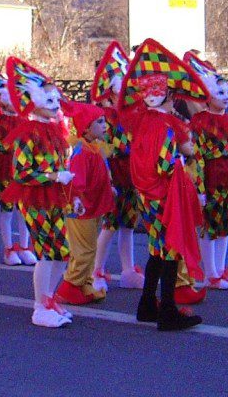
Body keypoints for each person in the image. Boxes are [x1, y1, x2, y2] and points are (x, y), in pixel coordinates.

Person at [121, 38, 209, 332]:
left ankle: (147, 304)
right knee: (170, 250)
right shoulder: (165, 125)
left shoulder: (144, 122)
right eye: (172, 94)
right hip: (164, 196)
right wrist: (182, 166)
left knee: (157, 250)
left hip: (147, 196)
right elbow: (164, 163)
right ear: (167, 97)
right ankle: (167, 310)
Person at [0, 56, 76, 327]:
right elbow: (21, 173)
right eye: (50, 101)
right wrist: (54, 175)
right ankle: (39, 306)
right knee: (46, 252)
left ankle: (48, 298)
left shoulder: (54, 130)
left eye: (57, 101)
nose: (56, 106)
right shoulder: (27, 133)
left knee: (61, 250)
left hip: (55, 196)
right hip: (35, 199)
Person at [183, 51, 228, 290]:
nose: (225, 98)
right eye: (219, 93)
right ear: (208, 97)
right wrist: (200, 189)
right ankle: (210, 273)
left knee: (225, 225)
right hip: (212, 176)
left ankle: (220, 270)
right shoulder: (202, 123)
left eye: (226, 93)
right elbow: (199, 157)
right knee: (209, 225)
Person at [89, 41, 146, 292]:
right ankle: (96, 269)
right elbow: (103, 148)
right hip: (114, 174)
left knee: (128, 225)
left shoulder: (132, 114)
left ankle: (127, 268)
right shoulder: (105, 118)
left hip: (131, 174)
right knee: (110, 225)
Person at [55, 100, 115, 305]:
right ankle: (70, 285)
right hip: (82, 208)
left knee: (89, 247)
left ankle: (84, 283)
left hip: (93, 206)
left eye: (104, 120)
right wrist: (78, 199)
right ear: (87, 127)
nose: (104, 124)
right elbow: (77, 182)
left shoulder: (95, 148)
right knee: (84, 249)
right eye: (99, 121)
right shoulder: (82, 152)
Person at [0, 71, 37, 266]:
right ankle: (8, 249)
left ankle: (24, 246)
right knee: (7, 208)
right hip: (5, 166)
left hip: (24, 167)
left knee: (24, 209)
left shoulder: (26, 120)